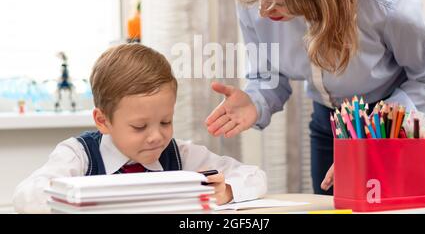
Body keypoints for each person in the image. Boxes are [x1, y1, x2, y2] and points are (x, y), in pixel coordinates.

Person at [205, 0, 425, 213]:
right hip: (334, 124)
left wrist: (378, 132)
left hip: (403, 121)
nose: (264, 11)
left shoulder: (389, 0)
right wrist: (255, 101)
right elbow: (268, 77)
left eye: (279, 3)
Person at [13, 44, 267, 213]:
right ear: (102, 121)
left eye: (166, 122)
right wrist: (77, 196)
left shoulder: (180, 154)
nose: (157, 136)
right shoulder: (79, 155)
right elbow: (25, 197)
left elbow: (256, 177)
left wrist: (227, 191)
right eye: (139, 126)